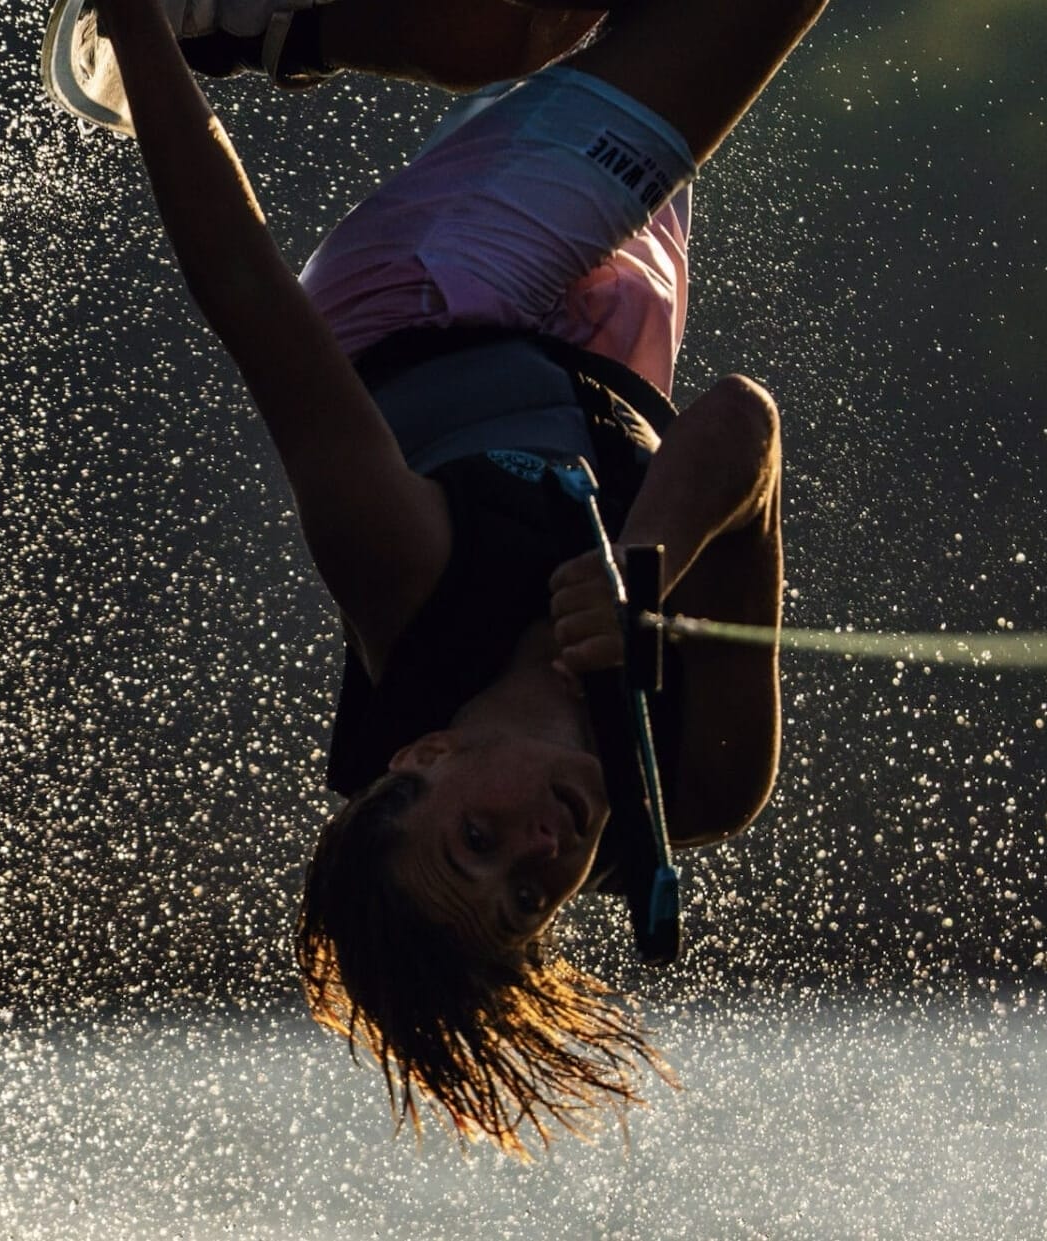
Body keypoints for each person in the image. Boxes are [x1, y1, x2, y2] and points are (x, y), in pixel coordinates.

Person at [78, 0, 828, 1155]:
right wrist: (646, 573)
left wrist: (129, 29)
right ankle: (292, 29)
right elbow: (743, 429)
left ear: (418, 760)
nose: (539, 853)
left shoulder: (405, 572)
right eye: (530, 901)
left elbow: (239, 284)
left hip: (433, 290)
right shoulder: (704, 778)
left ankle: (227, 21)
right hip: (615, 328)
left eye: (475, 842)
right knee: (547, 27)